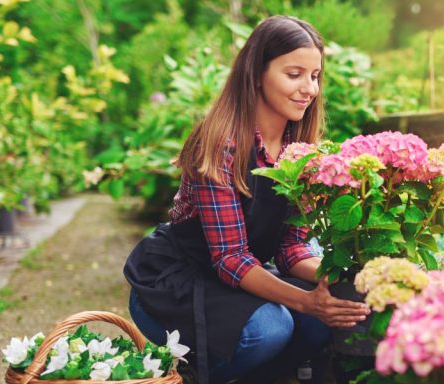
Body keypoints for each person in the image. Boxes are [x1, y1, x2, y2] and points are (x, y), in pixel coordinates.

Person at [123, 16, 370, 384]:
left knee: (321, 324)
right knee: (270, 329)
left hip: (234, 280)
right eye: (294, 74)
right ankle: (189, 377)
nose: (309, 88)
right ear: (257, 73)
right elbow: (229, 258)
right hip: (175, 286)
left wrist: (340, 279)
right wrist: (305, 301)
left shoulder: (298, 150)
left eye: (315, 76)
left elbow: (290, 248)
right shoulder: (220, 143)